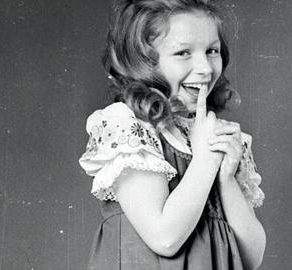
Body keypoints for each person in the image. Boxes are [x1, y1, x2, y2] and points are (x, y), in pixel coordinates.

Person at [79, 0, 266, 269]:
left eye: (212, 51)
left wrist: (227, 178)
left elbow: (250, 258)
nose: (205, 68)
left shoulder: (214, 135)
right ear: (144, 62)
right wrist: (206, 160)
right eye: (183, 53)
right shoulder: (130, 127)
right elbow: (165, 238)